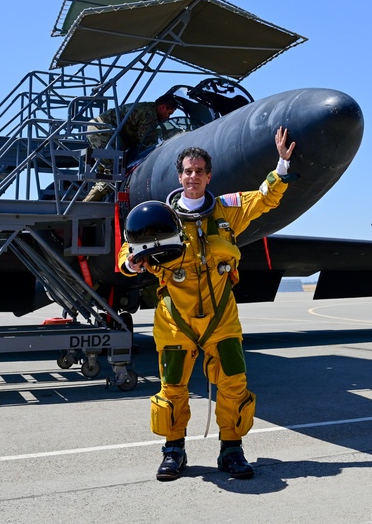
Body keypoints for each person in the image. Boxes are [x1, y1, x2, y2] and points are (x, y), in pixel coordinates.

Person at [118, 127, 296, 481]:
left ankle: (231, 449)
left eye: (199, 171)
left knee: (234, 383)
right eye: (188, 171)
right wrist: (131, 263)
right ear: (179, 176)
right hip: (175, 320)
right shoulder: (159, 217)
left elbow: (265, 198)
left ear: (208, 175)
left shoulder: (227, 211)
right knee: (173, 388)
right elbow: (128, 252)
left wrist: (282, 164)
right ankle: (174, 451)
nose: (193, 176)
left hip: (221, 318)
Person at [84, 94, 179, 202]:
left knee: (106, 173)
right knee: (114, 173)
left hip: (102, 131)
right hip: (102, 132)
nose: (168, 117)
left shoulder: (148, 108)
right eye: (169, 113)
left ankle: (99, 200)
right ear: (162, 107)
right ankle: (87, 203)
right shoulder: (149, 115)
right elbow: (148, 141)